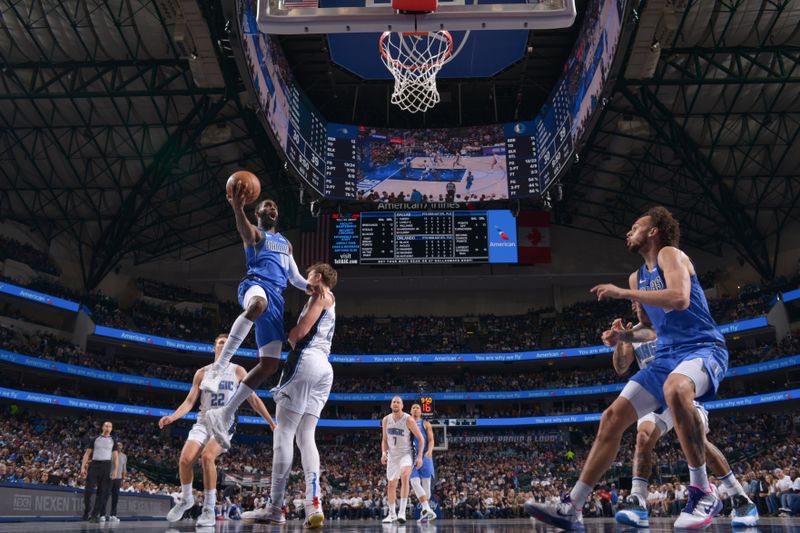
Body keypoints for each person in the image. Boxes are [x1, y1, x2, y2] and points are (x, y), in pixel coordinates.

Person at [527, 206, 729, 530]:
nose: (628, 232)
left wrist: (623, 293)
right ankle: (573, 506)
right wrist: (625, 335)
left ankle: (702, 490)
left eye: (635, 226)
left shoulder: (670, 255)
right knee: (612, 418)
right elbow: (651, 328)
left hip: (701, 347)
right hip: (666, 354)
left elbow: (679, 298)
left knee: (675, 389)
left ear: (653, 231)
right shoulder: (638, 275)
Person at [606, 304, 759, 527]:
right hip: (654, 395)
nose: (634, 304)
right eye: (632, 301)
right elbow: (621, 367)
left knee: (699, 443)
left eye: (638, 299)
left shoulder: (674, 322)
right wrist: (620, 341)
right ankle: (637, 500)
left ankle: (740, 498)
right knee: (642, 436)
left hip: (680, 389)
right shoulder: (635, 334)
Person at [202, 187, 312, 448]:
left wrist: (311, 287)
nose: (272, 210)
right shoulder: (255, 232)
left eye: (275, 207)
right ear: (258, 212)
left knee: (270, 365)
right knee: (257, 304)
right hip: (255, 285)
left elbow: (294, 277)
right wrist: (237, 208)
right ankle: (218, 369)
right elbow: (243, 230)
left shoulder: (286, 243)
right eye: (267, 206)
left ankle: (225, 413)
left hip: (277, 298)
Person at [240, 263, 338, 529]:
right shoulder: (332, 299)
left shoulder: (318, 296)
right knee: (306, 437)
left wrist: (292, 335)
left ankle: (274, 507)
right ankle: (313, 504)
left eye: (309, 276)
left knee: (283, 432)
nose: (305, 281)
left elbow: (301, 332)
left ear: (318, 277)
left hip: (306, 361)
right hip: (324, 369)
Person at [160, 333, 276, 527]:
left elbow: (253, 398)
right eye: (220, 342)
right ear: (214, 348)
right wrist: (172, 417)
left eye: (227, 343)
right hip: (204, 421)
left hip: (224, 423)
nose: (224, 345)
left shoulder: (238, 370)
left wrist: (271, 423)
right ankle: (187, 499)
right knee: (185, 460)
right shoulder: (202, 372)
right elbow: (190, 401)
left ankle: (209, 509)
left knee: (207, 457)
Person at [381, 396, 426, 524]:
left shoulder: (408, 419)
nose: (395, 404)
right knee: (391, 484)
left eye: (398, 402)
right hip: (392, 455)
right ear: (391, 405)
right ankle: (392, 514)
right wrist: (384, 453)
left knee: (405, 475)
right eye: (393, 402)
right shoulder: (386, 420)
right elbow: (384, 440)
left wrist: (419, 457)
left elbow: (421, 439)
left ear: (402, 406)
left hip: (406, 453)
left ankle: (402, 513)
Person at [80, 421, 118, 523]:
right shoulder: (95, 439)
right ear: (102, 427)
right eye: (106, 425)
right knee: (88, 491)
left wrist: (115, 470)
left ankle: (94, 515)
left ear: (111, 428)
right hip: (94, 465)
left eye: (110, 426)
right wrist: (83, 467)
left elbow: (115, 456)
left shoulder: (113, 440)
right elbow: (87, 454)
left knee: (101, 493)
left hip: (106, 466)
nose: (108, 427)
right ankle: (87, 510)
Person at [409, 404, 437, 523]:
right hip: (411, 456)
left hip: (425, 455)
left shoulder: (425, 424)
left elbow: (431, 440)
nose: (415, 409)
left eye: (417, 408)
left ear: (421, 412)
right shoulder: (407, 423)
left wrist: (430, 450)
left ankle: (425, 513)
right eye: (413, 408)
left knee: (427, 488)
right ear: (410, 411)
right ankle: (427, 509)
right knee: (414, 482)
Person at [108, 441, 126, 523]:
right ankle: (102, 514)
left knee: (115, 498)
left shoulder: (124, 456)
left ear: (122, 447)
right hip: (110, 477)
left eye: (120, 445)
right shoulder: (110, 454)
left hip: (118, 479)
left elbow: (124, 468)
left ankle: (113, 515)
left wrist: (123, 479)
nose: (119, 446)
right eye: (118, 445)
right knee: (106, 496)